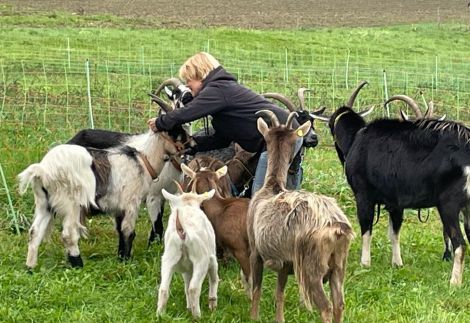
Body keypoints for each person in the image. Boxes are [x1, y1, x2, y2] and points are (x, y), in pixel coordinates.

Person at [147, 52, 303, 194]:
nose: (188, 87)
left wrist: (161, 122)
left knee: (262, 195)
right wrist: (189, 145)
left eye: (189, 81)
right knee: (279, 192)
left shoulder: (218, 89)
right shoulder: (221, 94)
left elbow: (189, 111)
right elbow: (221, 139)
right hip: (280, 137)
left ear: (199, 74)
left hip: (280, 137)